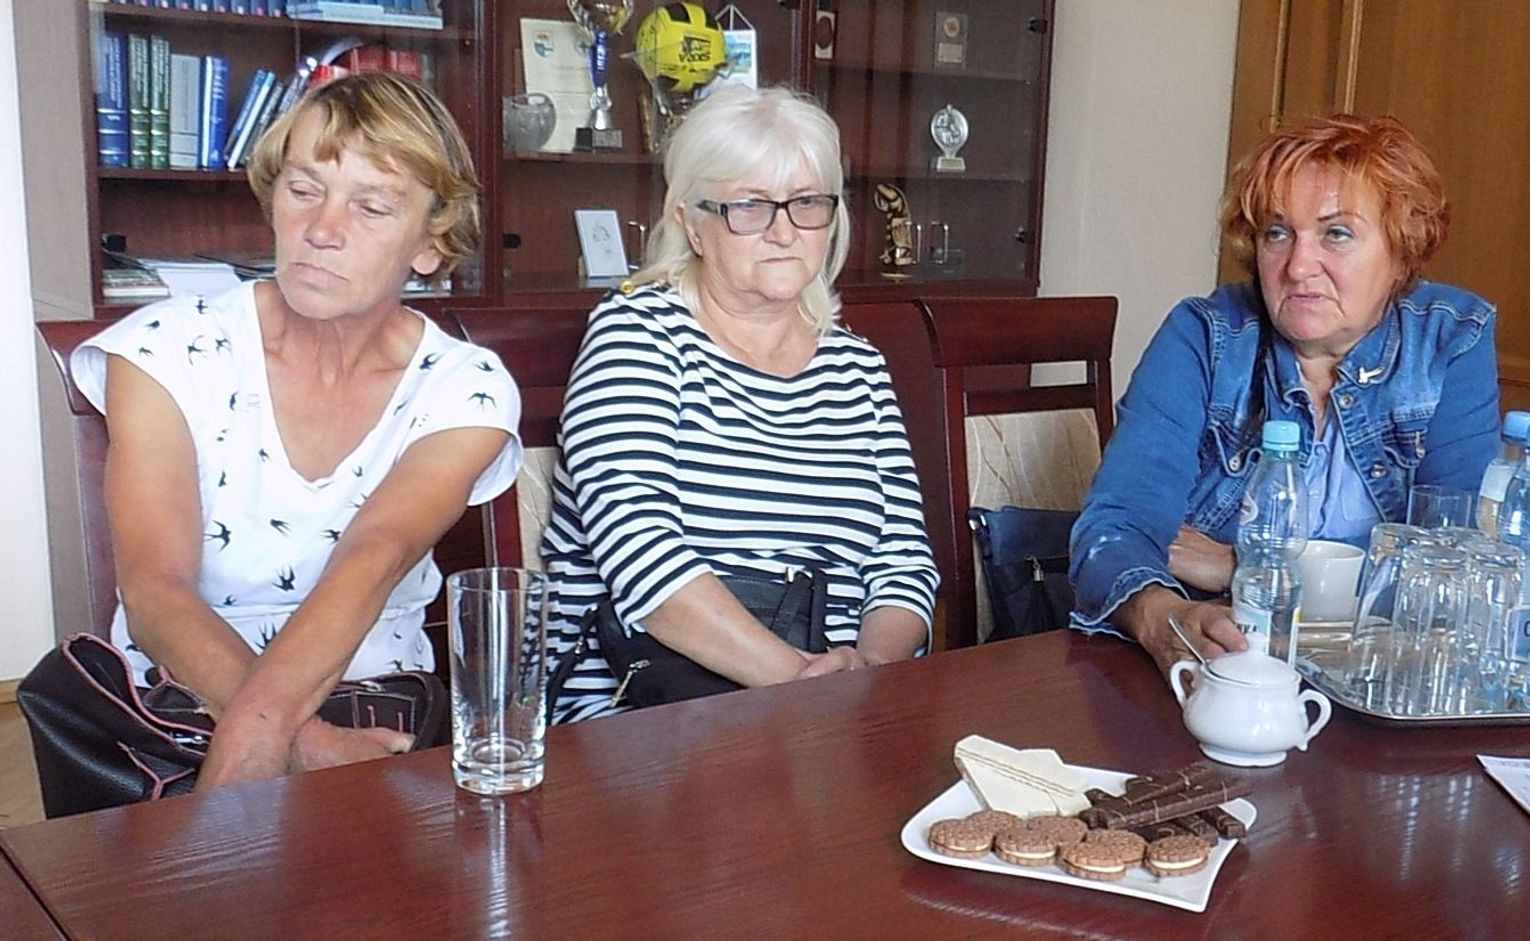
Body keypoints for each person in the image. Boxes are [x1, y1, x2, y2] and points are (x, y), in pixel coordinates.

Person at [70, 73, 522, 788]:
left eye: (372, 206)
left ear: (431, 244)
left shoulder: (464, 387)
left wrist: (268, 737)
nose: (322, 230)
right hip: (176, 711)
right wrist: (296, 743)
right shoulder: (163, 349)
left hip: (381, 712)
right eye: (304, 189)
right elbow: (154, 588)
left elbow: (373, 558)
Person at [543, 84, 939, 723]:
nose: (784, 232)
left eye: (807, 203)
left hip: (836, 714)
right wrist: (807, 690)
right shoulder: (637, 335)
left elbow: (904, 560)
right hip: (642, 712)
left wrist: (871, 672)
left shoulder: (858, 365)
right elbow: (644, 560)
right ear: (691, 223)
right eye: (750, 206)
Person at [1070, 114, 1498, 675]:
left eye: (1336, 233)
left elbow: (1460, 568)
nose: (1298, 266)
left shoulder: (1451, 338)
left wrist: (1242, 567)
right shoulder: (1205, 336)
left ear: (1401, 251)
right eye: (1277, 233)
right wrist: (1162, 616)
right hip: (1224, 665)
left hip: (1387, 678)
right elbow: (1116, 526)